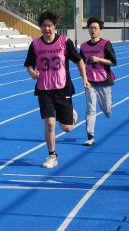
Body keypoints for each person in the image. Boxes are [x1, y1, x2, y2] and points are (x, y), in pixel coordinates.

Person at [24, 11, 90, 168]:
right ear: (39, 26)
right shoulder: (35, 44)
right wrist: (32, 73)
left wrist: (85, 78)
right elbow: (29, 64)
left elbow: (79, 61)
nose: (46, 29)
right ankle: (52, 156)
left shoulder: (64, 42)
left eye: (49, 26)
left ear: (55, 26)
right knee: (49, 124)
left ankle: (71, 113)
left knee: (67, 128)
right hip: (44, 88)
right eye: (43, 26)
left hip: (62, 87)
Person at [80, 17, 117, 146]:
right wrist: (84, 78)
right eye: (90, 28)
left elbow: (113, 62)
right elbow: (81, 64)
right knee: (91, 109)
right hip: (90, 82)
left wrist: (99, 59)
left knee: (107, 111)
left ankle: (108, 108)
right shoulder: (83, 46)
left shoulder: (106, 44)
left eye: (95, 28)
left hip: (104, 81)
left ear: (100, 30)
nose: (92, 30)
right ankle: (90, 137)